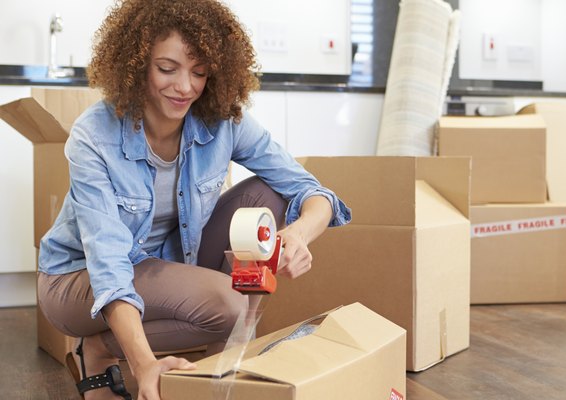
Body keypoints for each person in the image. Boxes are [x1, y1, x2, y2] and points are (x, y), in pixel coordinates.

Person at [36, 0, 351, 399]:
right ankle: (100, 348)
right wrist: (144, 363)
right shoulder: (94, 136)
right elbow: (109, 265)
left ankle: (224, 362)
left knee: (266, 193)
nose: (185, 87)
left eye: (199, 72)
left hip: (164, 262)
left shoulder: (222, 121)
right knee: (229, 305)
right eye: (167, 69)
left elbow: (314, 192)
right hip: (76, 279)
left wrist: (301, 233)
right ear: (135, 66)